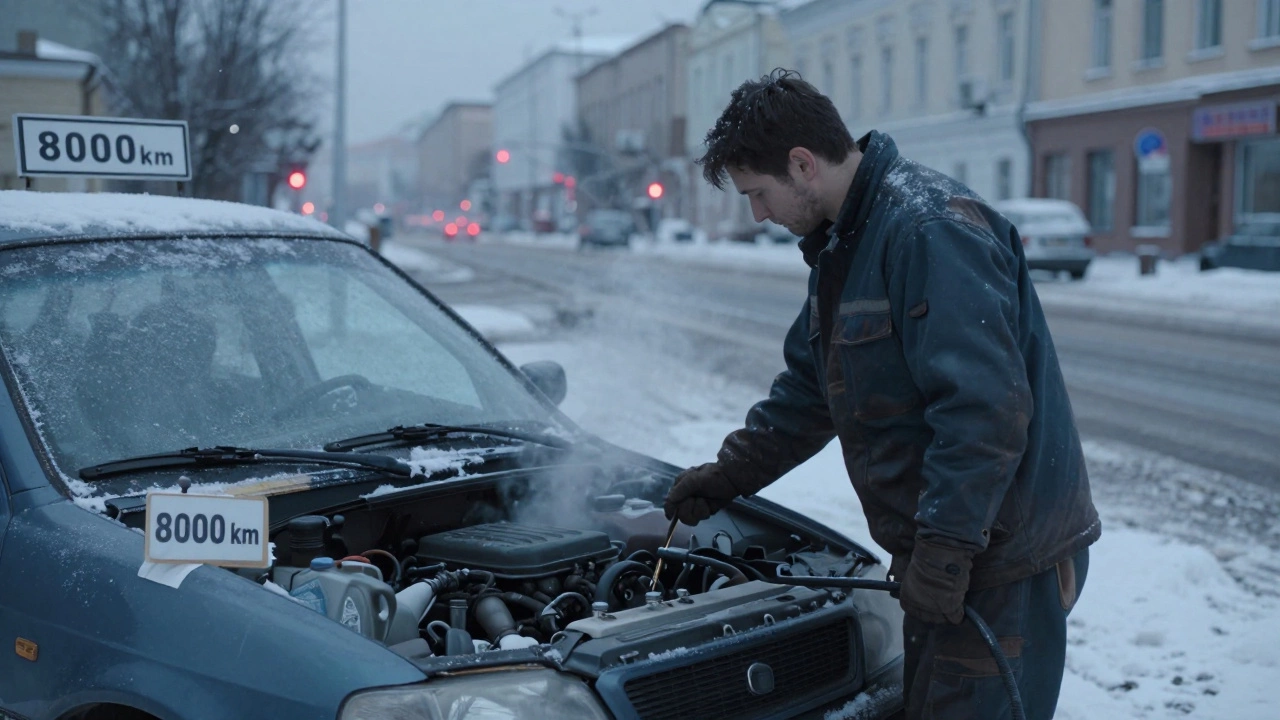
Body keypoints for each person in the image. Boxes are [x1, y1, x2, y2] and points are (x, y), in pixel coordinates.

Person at [663, 69, 1101, 720]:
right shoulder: (846, 247)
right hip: (946, 557)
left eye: (757, 193)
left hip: (1002, 564)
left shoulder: (928, 230)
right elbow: (809, 392)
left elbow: (983, 410)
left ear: (802, 164)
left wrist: (947, 553)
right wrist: (726, 478)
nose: (757, 213)